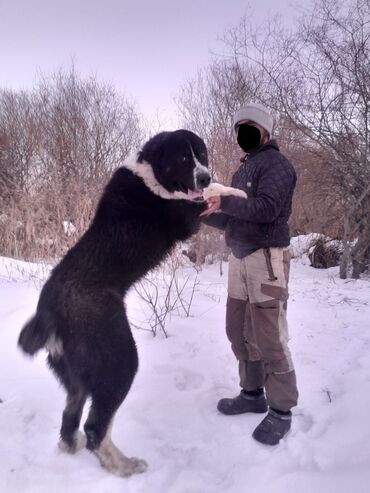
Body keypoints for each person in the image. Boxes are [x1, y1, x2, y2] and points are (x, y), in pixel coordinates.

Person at [201, 102, 298, 445]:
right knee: (238, 330)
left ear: (264, 130)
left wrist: (224, 199)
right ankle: (252, 393)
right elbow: (231, 218)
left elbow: (267, 208)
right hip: (239, 259)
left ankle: (282, 410)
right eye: (238, 125)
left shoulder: (277, 165)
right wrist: (202, 210)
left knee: (269, 335)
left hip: (266, 259)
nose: (242, 131)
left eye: (249, 125)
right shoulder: (243, 172)